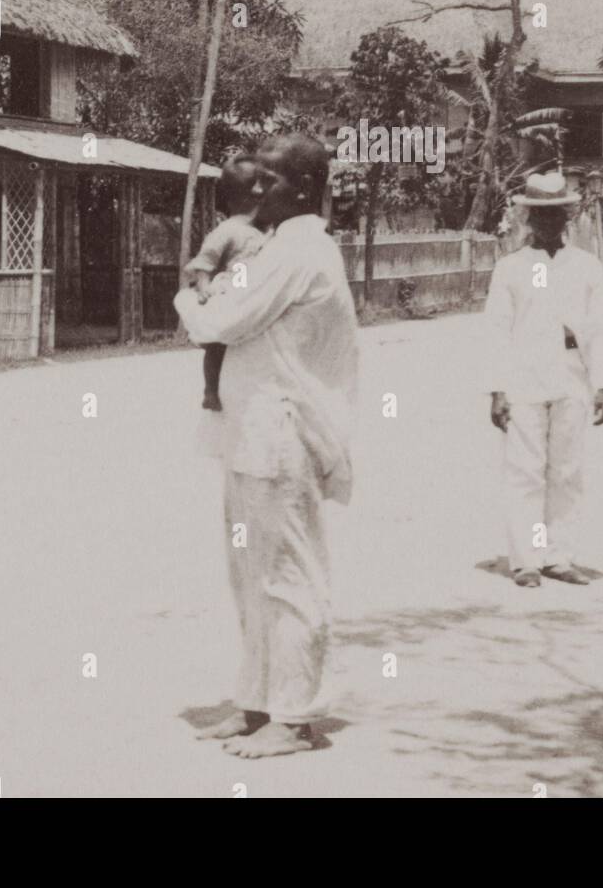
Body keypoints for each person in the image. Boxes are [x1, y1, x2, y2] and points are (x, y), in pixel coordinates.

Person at [175, 133, 359, 758]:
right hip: (250, 430)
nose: (255, 188)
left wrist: (191, 295)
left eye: (271, 179)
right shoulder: (274, 244)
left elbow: (216, 319)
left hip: (283, 432)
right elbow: (225, 306)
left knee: (289, 574)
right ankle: (257, 703)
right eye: (254, 176)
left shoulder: (301, 248)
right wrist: (210, 293)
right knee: (250, 575)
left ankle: (297, 716)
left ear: (304, 189)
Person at [483, 169, 603, 589]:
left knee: (566, 471)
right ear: (527, 219)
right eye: (540, 217)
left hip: (570, 376)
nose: (549, 224)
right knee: (525, 470)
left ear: (568, 218)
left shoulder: (586, 267)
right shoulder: (510, 268)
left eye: (557, 215)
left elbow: (600, 329)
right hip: (523, 376)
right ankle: (526, 559)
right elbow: (496, 331)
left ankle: (560, 557)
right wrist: (497, 390)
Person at [182, 155, 266, 412]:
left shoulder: (264, 230)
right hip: (229, 294)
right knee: (217, 346)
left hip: (255, 294)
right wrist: (205, 288)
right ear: (256, 193)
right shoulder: (226, 230)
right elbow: (203, 263)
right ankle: (211, 390)